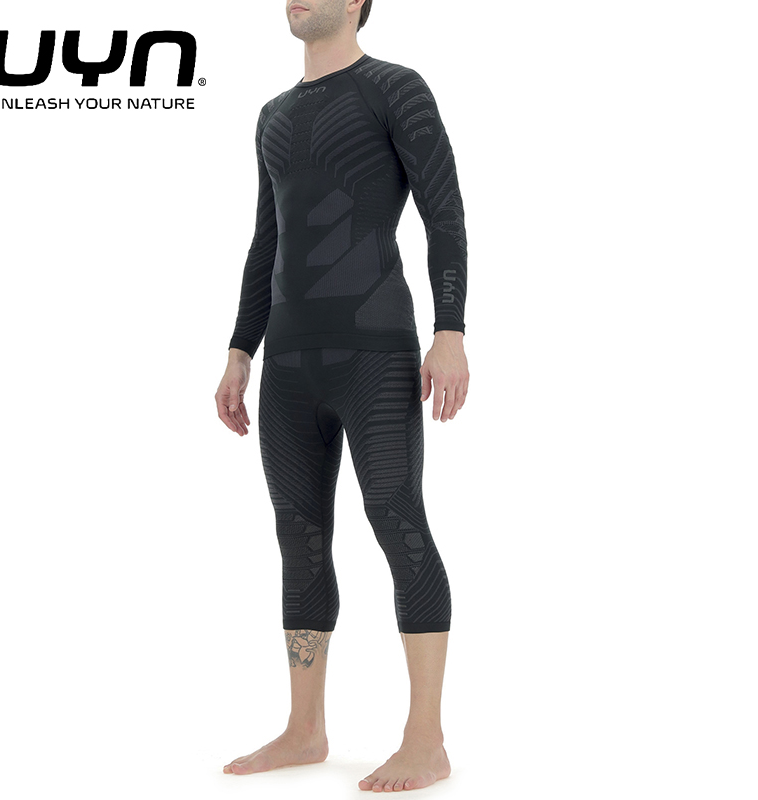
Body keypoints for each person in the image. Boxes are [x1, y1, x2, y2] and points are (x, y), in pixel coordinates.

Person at [215, 0, 468, 791]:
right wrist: (240, 349)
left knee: (397, 518)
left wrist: (451, 330)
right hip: (288, 362)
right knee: (298, 536)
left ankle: (425, 738)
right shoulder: (272, 116)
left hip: (374, 351)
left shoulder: (395, 88)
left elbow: (444, 212)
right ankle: (305, 729)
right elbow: (268, 239)